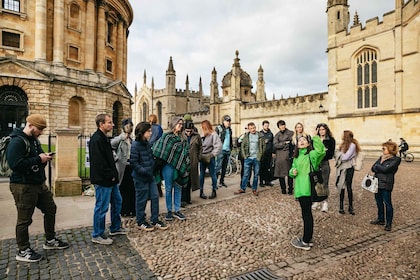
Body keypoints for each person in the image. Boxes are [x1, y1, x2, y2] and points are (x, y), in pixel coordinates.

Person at [6, 114, 69, 262]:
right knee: (24, 219)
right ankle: (23, 250)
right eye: (39, 129)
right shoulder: (17, 142)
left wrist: (44, 157)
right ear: (30, 125)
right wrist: (38, 159)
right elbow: (16, 164)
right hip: (23, 186)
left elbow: (37, 157)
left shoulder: (34, 140)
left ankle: (50, 240)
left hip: (39, 184)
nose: (41, 132)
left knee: (50, 209)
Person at [90, 113, 128, 245]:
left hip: (111, 180)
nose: (112, 125)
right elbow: (99, 163)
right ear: (101, 124)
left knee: (118, 201)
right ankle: (97, 234)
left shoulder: (104, 138)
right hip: (103, 181)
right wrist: (111, 176)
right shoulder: (96, 139)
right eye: (109, 122)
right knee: (101, 207)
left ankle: (115, 227)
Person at [289, 132, 325, 250]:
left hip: (308, 189)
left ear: (308, 143)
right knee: (306, 214)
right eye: (300, 140)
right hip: (300, 190)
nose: (302, 141)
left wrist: (315, 137)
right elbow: (292, 170)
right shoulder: (296, 157)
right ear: (297, 145)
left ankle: (305, 241)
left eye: (304, 140)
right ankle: (307, 239)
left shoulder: (312, 155)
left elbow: (321, 151)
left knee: (307, 215)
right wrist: (292, 172)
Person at [130, 122, 168, 231]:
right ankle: (140, 221)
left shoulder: (147, 144)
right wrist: (144, 170)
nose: (151, 133)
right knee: (141, 200)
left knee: (155, 197)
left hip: (150, 176)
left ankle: (154, 219)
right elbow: (134, 162)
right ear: (142, 133)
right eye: (148, 131)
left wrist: (152, 168)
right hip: (140, 177)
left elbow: (150, 157)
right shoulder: (135, 145)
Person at [152, 117, 190, 221]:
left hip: (179, 166)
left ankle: (177, 210)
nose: (180, 126)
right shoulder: (167, 137)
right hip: (168, 166)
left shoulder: (184, 138)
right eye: (179, 123)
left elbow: (186, 152)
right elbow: (157, 149)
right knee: (168, 189)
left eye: (182, 124)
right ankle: (169, 211)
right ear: (173, 124)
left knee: (178, 187)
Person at [370, 141, 401, 231]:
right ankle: (381, 219)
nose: (382, 150)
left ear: (390, 149)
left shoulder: (396, 159)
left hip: (386, 184)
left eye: (384, 148)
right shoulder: (381, 157)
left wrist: (378, 167)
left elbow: (386, 169)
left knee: (387, 203)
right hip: (377, 183)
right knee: (378, 202)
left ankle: (388, 223)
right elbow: (373, 167)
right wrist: (380, 167)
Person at [111, 119, 135, 217]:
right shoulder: (119, 138)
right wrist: (116, 159)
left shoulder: (131, 140)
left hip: (130, 166)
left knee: (131, 189)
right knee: (123, 189)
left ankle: (131, 209)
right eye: (128, 126)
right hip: (122, 166)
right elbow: (110, 147)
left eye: (131, 126)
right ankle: (124, 210)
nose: (130, 128)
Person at [234, 122, 265, 196]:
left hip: (256, 158)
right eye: (251, 128)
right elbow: (242, 146)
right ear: (249, 129)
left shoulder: (260, 136)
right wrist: (244, 156)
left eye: (253, 128)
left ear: (255, 127)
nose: (253, 129)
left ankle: (254, 189)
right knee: (245, 174)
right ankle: (242, 188)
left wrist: (260, 156)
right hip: (248, 158)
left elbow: (263, 146)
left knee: (256, 175)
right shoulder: (246, 136)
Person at [335, 130, 361, 215]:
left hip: (349, 167)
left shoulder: (352, 145)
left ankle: (350, 206)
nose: (342, 136)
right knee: (341, 185)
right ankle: (341, 206)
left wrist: (338, 154)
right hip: (342, 167)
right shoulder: (343, 144)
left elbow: (345, 157)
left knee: (348, 186)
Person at [312, 123, 336, 212]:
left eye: (323, 129)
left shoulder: (331, 140)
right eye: (320, 129)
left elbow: (330, 154)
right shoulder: (315, 140)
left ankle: (325, 202)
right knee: (316, 183)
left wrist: (321, 153)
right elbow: (311, 151)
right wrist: (322, 151)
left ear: (326, 130)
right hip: (316, 164)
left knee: (324, 183)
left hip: (324, 163)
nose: (321, 131)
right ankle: (317, 201)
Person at [199, 120, 222, 199]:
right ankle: (201, 191)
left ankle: (214, 191)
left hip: (210, 157)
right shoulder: (202, 135)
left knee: (212, 175)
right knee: (202, 175)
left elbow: (218, 146)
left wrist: (212, 154)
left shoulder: (213, 134)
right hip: (202, 157)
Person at [181, 121, 202, 206]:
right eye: (187, 131)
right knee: (183, 181)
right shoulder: (182, 135)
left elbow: (200, 147)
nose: (189, 133)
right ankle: (182, 199)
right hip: (184, 161)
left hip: (193, 161)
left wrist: (198, 157)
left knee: (190, 180)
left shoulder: (197, 136)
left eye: (190, 131)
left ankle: (188, 198)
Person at [273, 120, 294, 194]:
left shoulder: (291, 133)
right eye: (281, 126)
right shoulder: (277, 135)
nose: (282, 127)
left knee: (289, 173)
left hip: (288, 155)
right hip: (280, 156)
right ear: (278, 127)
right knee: (280, 173)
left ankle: (290, 188)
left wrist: (281, 144)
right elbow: (275, 145)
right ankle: (283, 189)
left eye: (283, 125)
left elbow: (292, 143)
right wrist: (284, 143)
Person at [215, 115, 233, 188]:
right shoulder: (219, 128)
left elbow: (230, 139)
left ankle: (222, 181)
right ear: (223, 121)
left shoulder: (230, 130)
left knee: (224, 168)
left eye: (229, 121)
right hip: (221, 150)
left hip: (227, 151)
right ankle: (214, 183)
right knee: (218, 167)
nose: (228, 123)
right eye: (227, 121)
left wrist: (231, 147)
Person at [149, 114, 164, 197]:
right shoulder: (159, 128)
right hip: (157, 151)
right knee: (157, 172)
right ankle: (159, 191)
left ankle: (154, 191)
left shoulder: (148, 128)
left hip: (150, 150)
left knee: (152, 172)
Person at [259, 120, 274, 187]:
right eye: (265, 125)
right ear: (263, 126)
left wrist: (273, 152)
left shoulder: (270, 133)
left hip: (269, 153)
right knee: (262, 168)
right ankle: (261, 181)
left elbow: (273, 143)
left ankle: (267, 181)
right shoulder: (260, 134)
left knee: (268, 168)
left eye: (267, 125)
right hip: (262, 154)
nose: (266, 127)